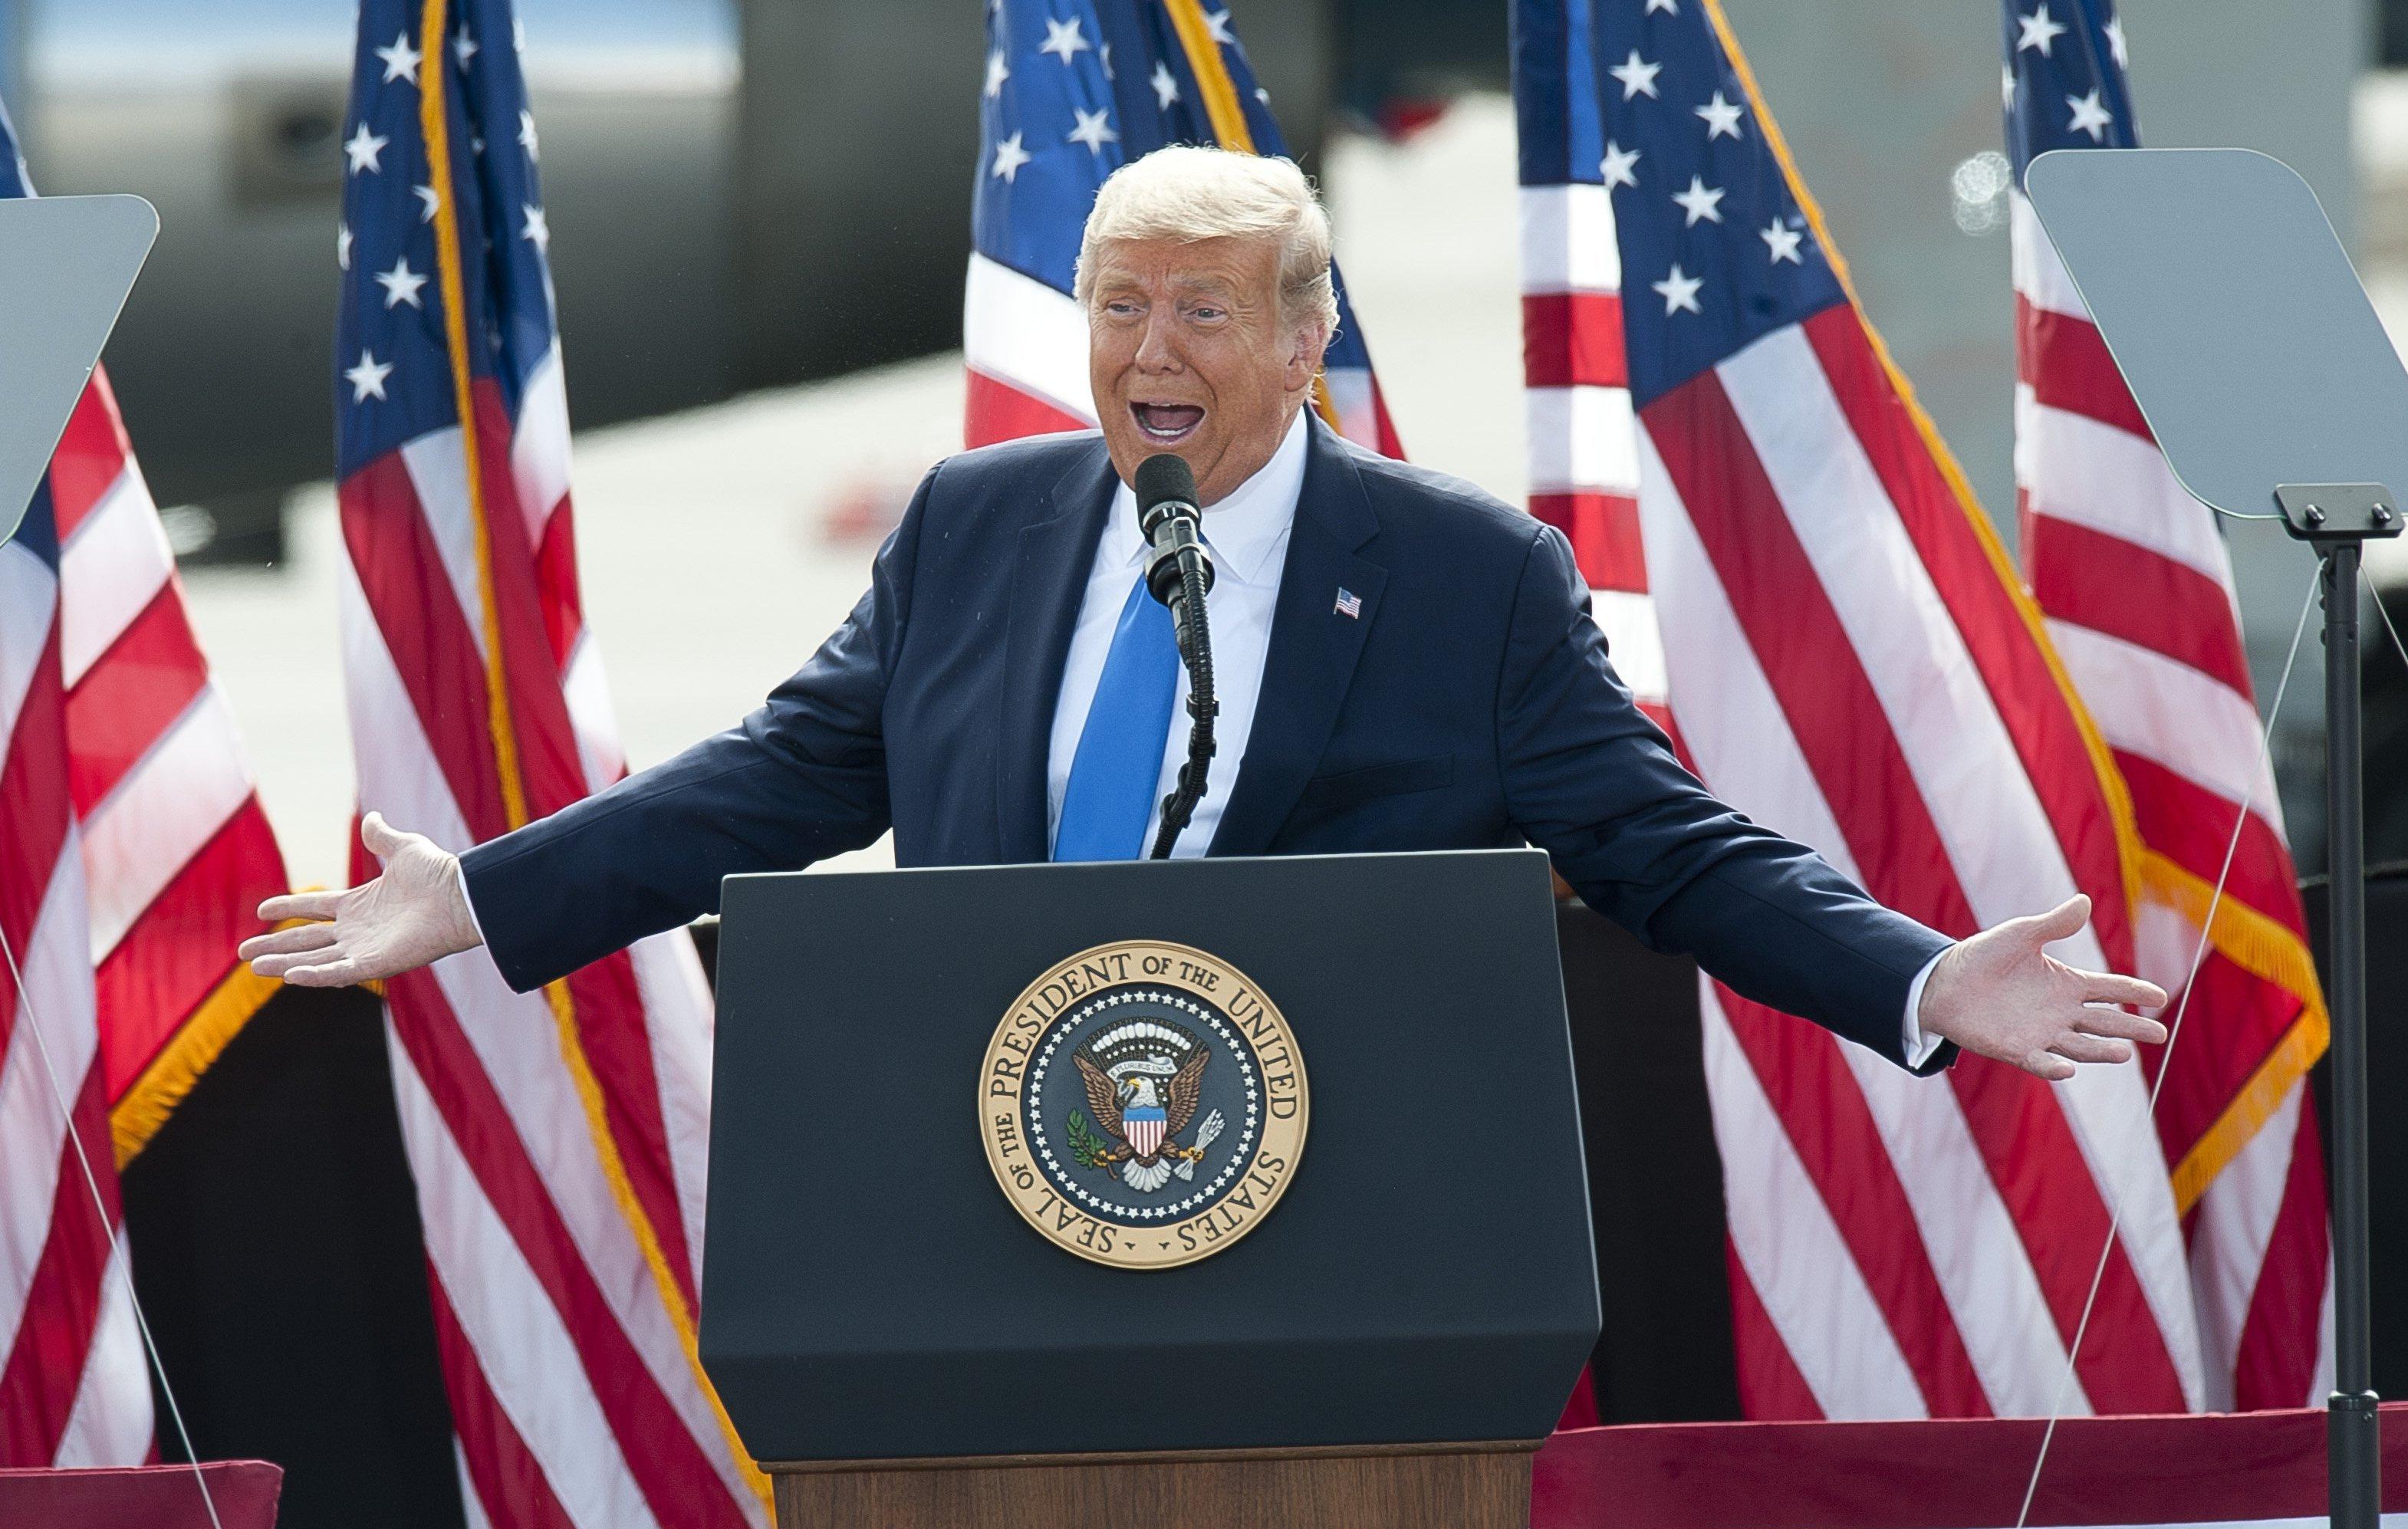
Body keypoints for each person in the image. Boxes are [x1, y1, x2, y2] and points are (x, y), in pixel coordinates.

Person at [244, 146, 2166, 1082]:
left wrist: (1920, 977)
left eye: (1200, 311)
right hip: (976, 1175)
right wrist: (483, 896)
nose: (1143, 351)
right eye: (1114, 305)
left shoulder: (1462, 576)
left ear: (1309, 340)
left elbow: (1662, 847)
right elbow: (770, 784)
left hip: (1317, 1205)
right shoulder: (976, 526)